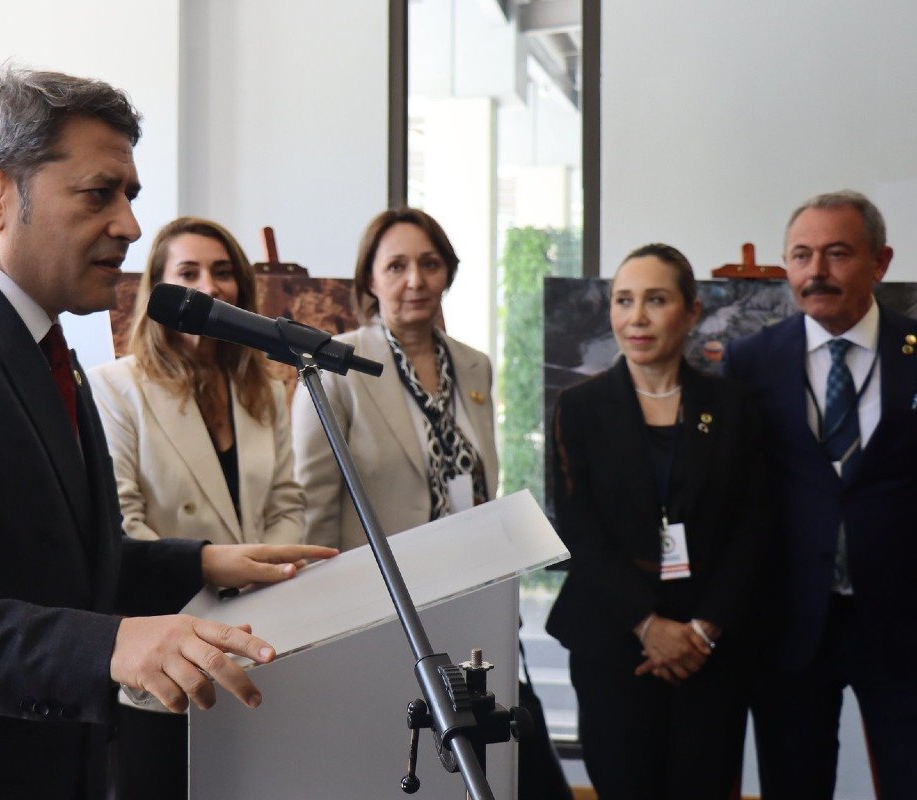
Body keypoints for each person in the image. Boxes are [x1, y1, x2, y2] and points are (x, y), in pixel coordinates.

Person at [0, 67, 335, 800]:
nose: (128, 225)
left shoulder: (37, 349)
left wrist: (202, 563)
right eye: (99, 193)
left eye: (130, 197)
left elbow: (46, 561)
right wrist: (111, 644)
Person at [88, 216, 305, 798]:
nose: (210, 285)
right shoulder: (116, 388)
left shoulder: (264, 387)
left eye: (223, 271)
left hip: (259, 638)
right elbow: (122, 526)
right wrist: (215, 570)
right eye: (189, 272)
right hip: (168, 650)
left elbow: (288, 501)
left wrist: (271, 574)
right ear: (159, 290)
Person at [547, 243, 768, 798]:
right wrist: (649, 626)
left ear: (691, 312)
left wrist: (701, 631)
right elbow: (579, 528)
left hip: (710, 648)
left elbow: (757, 526)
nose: (636, 317)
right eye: (623, 301)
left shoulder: (736, 405)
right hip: (614, 640)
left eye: (656, 300)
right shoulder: (579, 408)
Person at [724, 190, 917, 798]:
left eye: (837, 255)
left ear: (880, 262)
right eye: (802, 256)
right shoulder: (750, 362)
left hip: (904, 621)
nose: (816, 273)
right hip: (791, 622)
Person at [292, 207, 497, 551]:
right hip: (379, 589)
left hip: (469, 573)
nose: (416, 281)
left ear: (447, 273)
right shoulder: (333, 367)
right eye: (396, 266)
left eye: (430, 264)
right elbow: (314, 506)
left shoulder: (474, 365)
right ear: (370, 280)